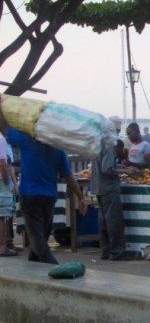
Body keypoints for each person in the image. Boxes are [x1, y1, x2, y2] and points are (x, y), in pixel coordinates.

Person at [0, 110, 87, 264]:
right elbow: (68, 176)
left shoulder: (27, 142)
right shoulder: (59, 150)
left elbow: (4, 129)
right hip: (49, 197)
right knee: (42, 235)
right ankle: (34, 263)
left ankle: (52, 264)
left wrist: (1, 109)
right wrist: (81, 197)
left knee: (37, 237)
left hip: (30, 196)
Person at [91, 140, 138, 260]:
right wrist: (126, 171)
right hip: (108, 188)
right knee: (113, 221)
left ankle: (105, 251)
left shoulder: (98, 145)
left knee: (103, 221)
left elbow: (108, 165)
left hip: (98, 187)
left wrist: (124, 167)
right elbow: (107, 169)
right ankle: (117, 252)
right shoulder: (109, 148)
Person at [0, 132, 17, 257]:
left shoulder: (6, 142)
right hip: (2, 181)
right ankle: (2, 247)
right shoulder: (1, 140)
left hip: (6, 180)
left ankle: (5, 244)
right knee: (3, 215)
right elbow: (3, 163)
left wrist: (14, 184)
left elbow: (9, 165)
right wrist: (6, 180)